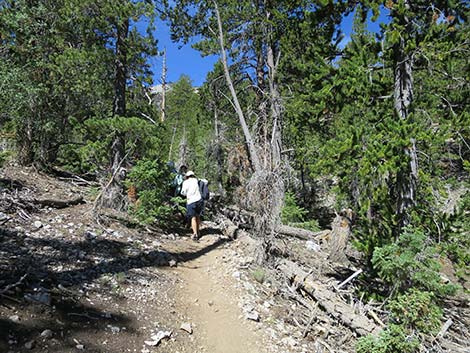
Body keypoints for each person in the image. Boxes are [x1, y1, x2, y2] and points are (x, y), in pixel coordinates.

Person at [180, 170, 203, 240]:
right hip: (199, 200)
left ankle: (195, 233)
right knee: (198, 216)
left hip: (191, 201)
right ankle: (198, 232)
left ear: (187, 176)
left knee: (193, 218)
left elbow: (183, 192)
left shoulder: (185, 182)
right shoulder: (196, 180)